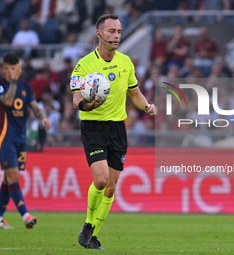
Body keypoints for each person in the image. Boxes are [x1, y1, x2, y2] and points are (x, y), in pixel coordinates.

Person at [71, 14, 157, 249]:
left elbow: (135, 94)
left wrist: (147, 105)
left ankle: (93, 235)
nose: (116, 36)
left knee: (111, 187)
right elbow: (76, 97)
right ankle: (88, 224)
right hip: (93, 126)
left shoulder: (126, 62)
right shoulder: (84, 65)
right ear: (99, 34)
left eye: (118, 32)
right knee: (100, 180)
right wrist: (84, 105)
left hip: (118, 128)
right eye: (111, 31)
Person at [0, 53, 51, 229]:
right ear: (6, 69)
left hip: (20, 138)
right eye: (13, 68)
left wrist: (43, 118)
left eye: (18, 68)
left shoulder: (25, 86)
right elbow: (8, 101)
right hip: (4, 138)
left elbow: (33, 105)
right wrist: (14, 81)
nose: (17, 71)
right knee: (13, 175)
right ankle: (25, 215)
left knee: (8, 178)